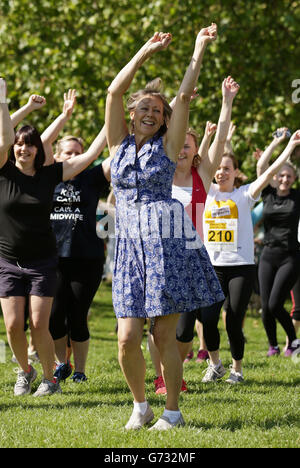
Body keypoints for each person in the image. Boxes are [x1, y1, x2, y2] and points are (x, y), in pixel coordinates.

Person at [105, 25, 225, 430]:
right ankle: (141, 406)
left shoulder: (168, 147)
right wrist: (144, 52)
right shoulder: (117, 143)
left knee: (162, 335)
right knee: (126, 339)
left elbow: (185, 95)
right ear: (134, 112)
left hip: (167, 243)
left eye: (158, 110)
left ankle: (172, 410)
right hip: (127, 247)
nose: (152, 113)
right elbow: (113, 92)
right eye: (145, 108)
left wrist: (198, 48)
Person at [0, 79, 109, 396]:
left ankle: (49, 379)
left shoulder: (50, 175)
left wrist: (110, 122)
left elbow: (90, 155)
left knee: (38, 323)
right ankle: (26, 371)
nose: (24, 148)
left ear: (40, 150)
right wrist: (9, 103)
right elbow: (7, 136)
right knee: (11, 326)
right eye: (20, 144)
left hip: (43, 262)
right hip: (7, 261)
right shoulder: (4, 170)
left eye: (31, 144)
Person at [203, 129, 300, 382]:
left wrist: (288, 147)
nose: (222, 172)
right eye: (219, 168)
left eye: (227, 168)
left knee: (233, 320)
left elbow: (268, 171)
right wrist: (214, 138)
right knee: (208, 318)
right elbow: (203, 158)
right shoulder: (207, 192)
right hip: (213, 266)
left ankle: (237, 370)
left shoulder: (245, 194)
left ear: (236, 172)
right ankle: (215, 365)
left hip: (241, 267)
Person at [41, 91, 111, 383]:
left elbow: (103, 147)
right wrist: (64, 116)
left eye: (76, 152)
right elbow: (43, 142)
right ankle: (62, 363)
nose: (72, 157)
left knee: (78, 316)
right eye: (66, 152)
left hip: (87, 257)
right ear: (56, 157)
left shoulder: (93, 176)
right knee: (55, 317)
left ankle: (80, 370)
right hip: (52, 258)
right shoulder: (46, 175)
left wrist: (115, 112)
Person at [257, 152, 300, 356]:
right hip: (268, 254)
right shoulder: (268, 193)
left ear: (294, 179)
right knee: (266, 306)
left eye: (289, 176)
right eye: (281, 175)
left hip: (290, 256)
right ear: (275, 176)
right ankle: (273, 345)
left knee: (275, 303)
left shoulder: (297, 197)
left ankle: (293, 341)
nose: (284, 179)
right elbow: (261, 166)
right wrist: (276, 144)